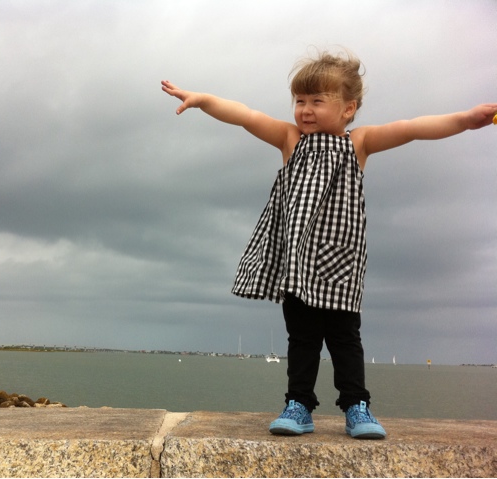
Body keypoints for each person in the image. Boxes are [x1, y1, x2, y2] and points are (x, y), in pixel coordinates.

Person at [161, 49, 496, 440]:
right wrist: (203, 100)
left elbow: (412, 128)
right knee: (302, 339)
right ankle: (298, 404)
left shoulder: (359, 143)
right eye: (300, 100)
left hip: (341, 266)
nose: (305, 110)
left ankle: (357, 406)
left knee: (345, 339)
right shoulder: (290, 139)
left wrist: (466, 120)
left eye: (317, 101)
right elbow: (245, 115)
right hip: (298, 266)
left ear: (348, 108)